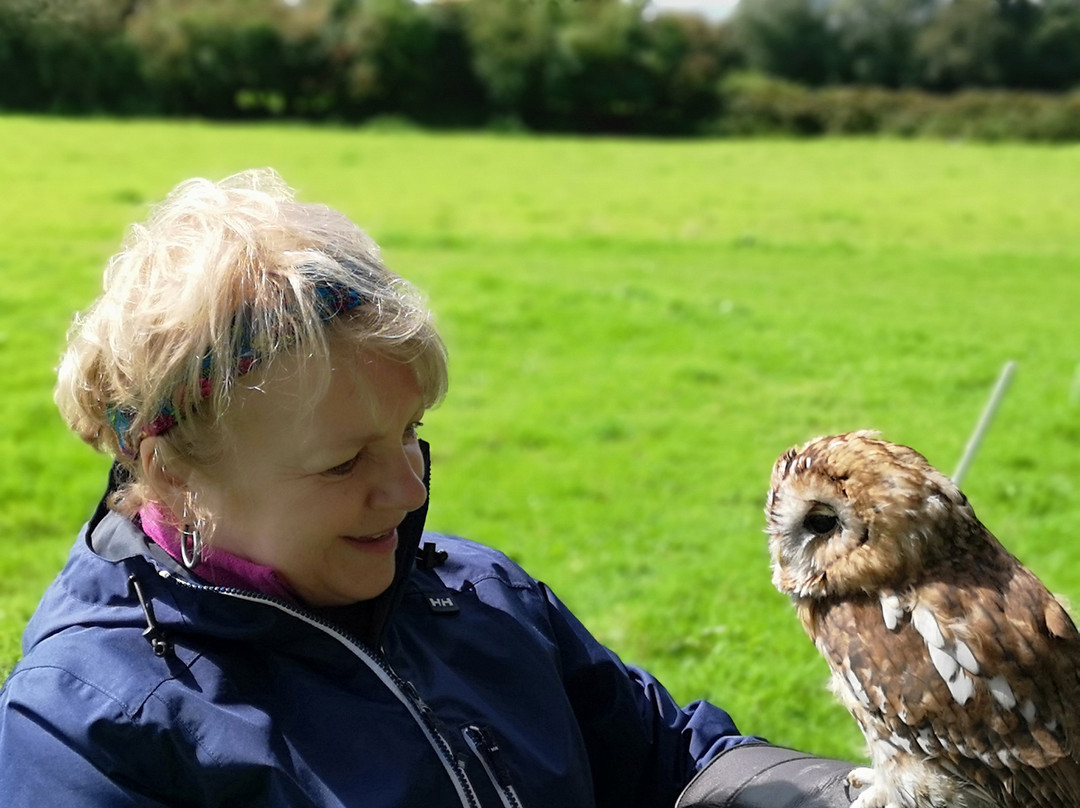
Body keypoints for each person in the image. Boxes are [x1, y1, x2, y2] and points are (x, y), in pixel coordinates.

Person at [0, 169, 857, 807]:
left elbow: (676, 762)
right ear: (176, 473)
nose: (408, 490)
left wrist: (854, 796)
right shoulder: (88, 728)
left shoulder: (481, 595)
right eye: (342, 464)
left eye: (409, 432)